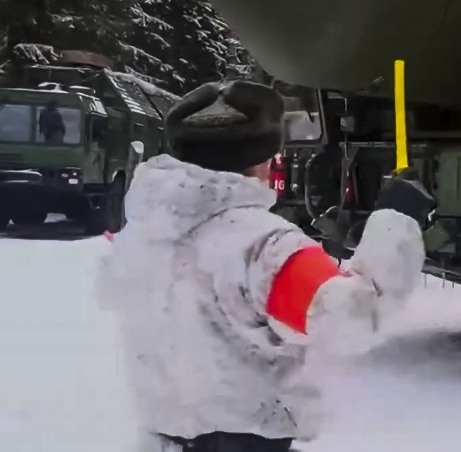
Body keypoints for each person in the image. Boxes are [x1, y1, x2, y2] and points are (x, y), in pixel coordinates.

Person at [95, 80, 434, 452]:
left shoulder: (141, 231)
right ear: (263, 158)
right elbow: (352, 319)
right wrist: (397, 220)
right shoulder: (266, 247)